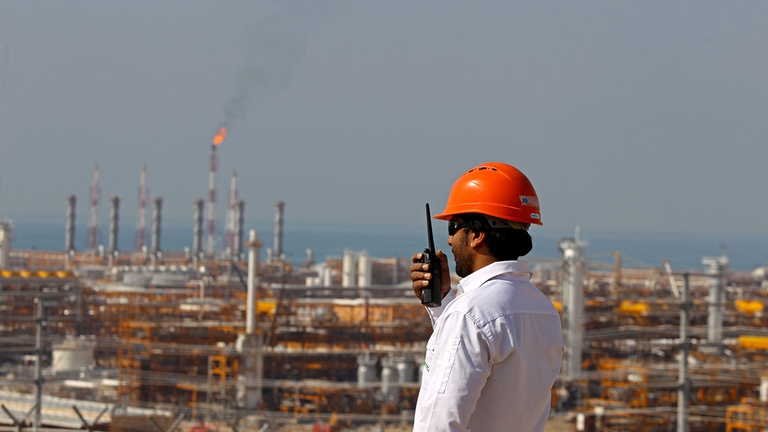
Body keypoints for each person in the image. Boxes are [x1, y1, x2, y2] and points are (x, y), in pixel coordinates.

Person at [410, 162, 564, 432]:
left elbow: (440, 423)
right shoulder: (543, 309)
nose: (449, 241)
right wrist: (442, 300)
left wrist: (454, 310)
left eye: (453, 227)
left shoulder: (469, 314)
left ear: (477, 235)